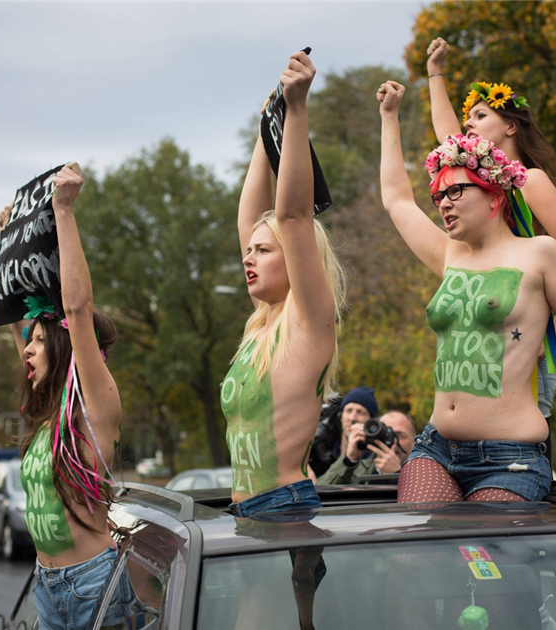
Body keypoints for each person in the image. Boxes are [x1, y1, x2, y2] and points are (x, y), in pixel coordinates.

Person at [377, 80, 556, 502]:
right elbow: (397, 200)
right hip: (435, 449)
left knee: (486, 545)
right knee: (422, 542)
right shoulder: (449, 254)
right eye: (438, 195)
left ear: (493, 196)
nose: (443, 203)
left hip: (510, 457)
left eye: (455, 191)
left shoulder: (541, 254)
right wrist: (389, 116)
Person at [425, 38, 556, 462]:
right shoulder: (480, 183)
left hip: (522, 336)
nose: (468, 124)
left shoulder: (529, 181)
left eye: (481, 115)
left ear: (510, 127)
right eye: (467, 118)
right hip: (490, 325)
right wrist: (434, 73)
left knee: (521, 449)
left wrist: (550, 329)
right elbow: (449, 139)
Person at [0, 164, 142, 630]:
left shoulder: (92, 412)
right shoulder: (47, 416)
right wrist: (8, 244)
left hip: (93, 585)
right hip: (47, 585)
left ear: (66, 349)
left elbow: (76, 308)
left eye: (40, 341)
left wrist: (63, 210)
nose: (27, 349)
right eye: (29, 341)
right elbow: (18, 325)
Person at [221, 50, 346, 519]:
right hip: (245, 510)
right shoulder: (262, 324)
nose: (247, 258)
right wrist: (264, 131)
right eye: (249, 251)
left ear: (294, 259)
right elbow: (250, 220)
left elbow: (293, 216)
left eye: (262, 251)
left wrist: (296, 109)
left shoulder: (308, 319)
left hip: (282, 506)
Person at [317, 411, 416, 484]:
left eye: (399, 435)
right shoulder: (360, 469)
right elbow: (321, 492)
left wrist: (396, 474)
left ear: (414, 440)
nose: (392, 441)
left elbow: (420, 502)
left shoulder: (422, 471)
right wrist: (349, 460)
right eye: (385, 434)